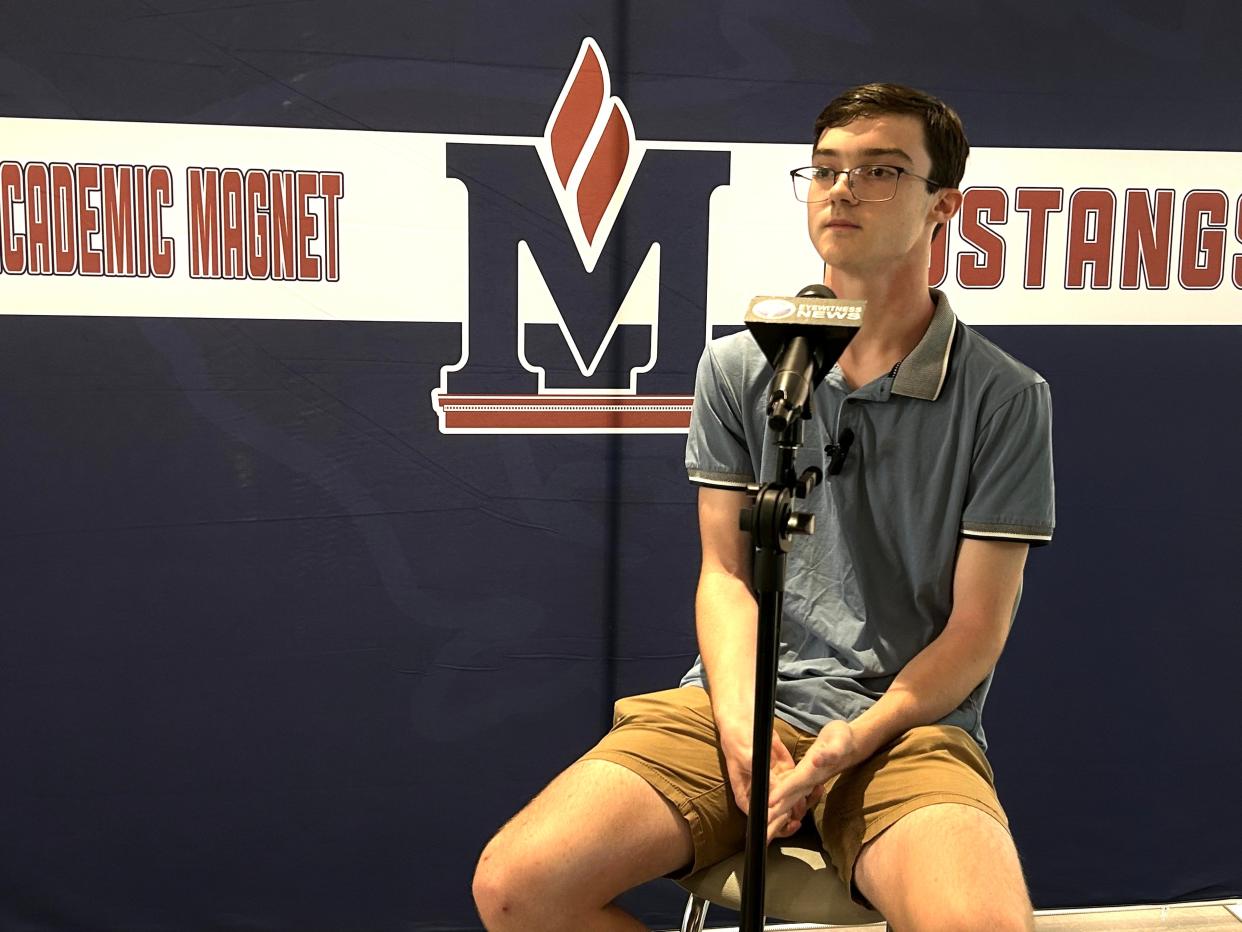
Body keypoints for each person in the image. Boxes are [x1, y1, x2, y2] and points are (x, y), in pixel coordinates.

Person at [472, 82, 1054, 932]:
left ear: (944, 206)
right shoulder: (742, 368)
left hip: (902, 728)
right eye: (824, 171)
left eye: (881, 170)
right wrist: (744, 729)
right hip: (735, 705)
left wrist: (848, 745)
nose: (842, 189)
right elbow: (724, 574)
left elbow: (974, 632)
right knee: (517, 887)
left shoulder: (1006, 398)